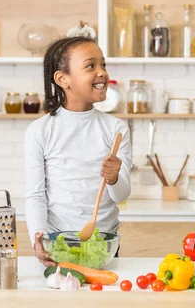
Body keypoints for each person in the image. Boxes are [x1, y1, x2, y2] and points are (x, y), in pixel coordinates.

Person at [24, 35, 132, 267]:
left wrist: (113, 179)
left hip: (102, 243)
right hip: (57, 243)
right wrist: (37, 237)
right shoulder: (40, 131)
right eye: (90, 66)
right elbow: (35, 194)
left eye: (103, 64)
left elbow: (121, 196)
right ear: (63, 79)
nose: (101, 72)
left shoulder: (116, 129)